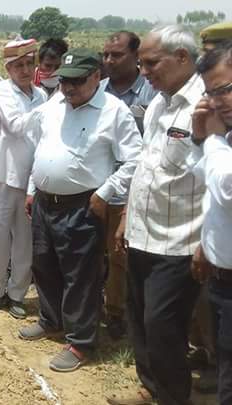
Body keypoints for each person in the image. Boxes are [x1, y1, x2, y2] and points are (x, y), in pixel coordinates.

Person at [0, 48, 142, 372]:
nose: (69, 88)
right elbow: (40, 148)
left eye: (76, 82)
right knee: (45, 265)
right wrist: (33, 189)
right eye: (64, 81)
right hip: (45, 203)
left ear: (95, 77)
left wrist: (106, 192)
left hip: (83, 206)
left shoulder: (113, 111)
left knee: (80, 277)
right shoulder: (54, 106)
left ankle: (81, 341)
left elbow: (134, 160)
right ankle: (51, 319)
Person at [108, 26, 205, 405]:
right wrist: (125, 219)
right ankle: (150, 388)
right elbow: (147, 168)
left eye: (151, 62)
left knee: (162, 326)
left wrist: (207, 242)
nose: (143, 71)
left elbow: (215, 179)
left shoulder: (206, 105)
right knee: (140, 320)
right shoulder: (160, 103)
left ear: (182, 57)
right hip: (142, 232)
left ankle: (173, 397)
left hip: (180, 240)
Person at [0, 39, 47, 319]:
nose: (24, 69)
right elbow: (16, 125)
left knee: (24, 241)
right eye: (18, 65)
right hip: (0, 176)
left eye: (28, 63)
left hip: (30, 178)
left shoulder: (41, 96)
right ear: (7, 68)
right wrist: (53, 106)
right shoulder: (0, 91)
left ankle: (17, 294)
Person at [99, 30, 157, 340]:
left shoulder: (152, 92)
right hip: (99, 187)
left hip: (135, 190)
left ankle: (118, 314)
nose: (109, 60)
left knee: (121, 255)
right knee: (95, 253)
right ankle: (98, 307)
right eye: (106, 54)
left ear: (136, 56)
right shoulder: (98, 91)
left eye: (116, 55)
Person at [191, 39, 232, 405]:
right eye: (210, 93)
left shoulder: (223, 137)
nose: (217, 101)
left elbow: (227, 188)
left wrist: (212, 138)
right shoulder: (226, 135)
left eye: (224, 90)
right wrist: (198, 138)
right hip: (222, 278)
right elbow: (204, 179)